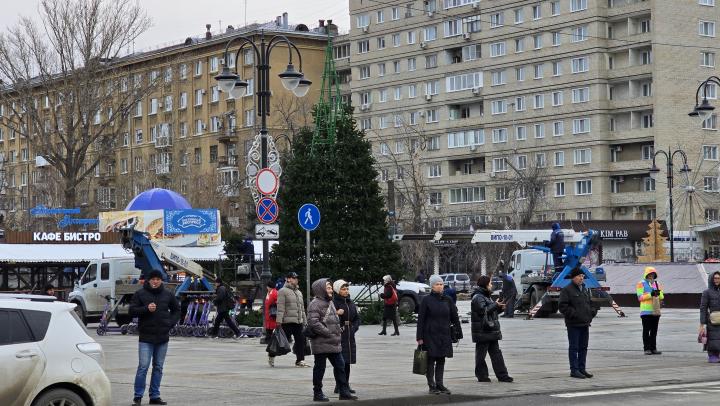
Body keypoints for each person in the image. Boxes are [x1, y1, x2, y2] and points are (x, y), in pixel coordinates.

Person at [129, 270, 181, 406]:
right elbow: (132, 310)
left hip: (162, 337)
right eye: (153, 279)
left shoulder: (168, 294)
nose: (155, 281)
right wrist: (146, 308)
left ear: (161, 280)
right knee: (143, 367)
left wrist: (170, 323)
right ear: (148, 280)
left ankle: (155, 396)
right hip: (146, 337)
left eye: (158, 279)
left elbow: (177, 310)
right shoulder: (140, 294)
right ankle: (138, 396)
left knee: (158, 367)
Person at [307, 278, 358, 402]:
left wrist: (337, 332)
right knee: (320, 368)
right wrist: (328, 332)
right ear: (321, 289)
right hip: (321, 342)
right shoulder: (315, 303)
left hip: (333, 342)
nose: (330, 290)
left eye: (330, 288)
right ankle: (317, 393)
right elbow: (313, 323)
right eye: (328, 288)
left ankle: (344, 392)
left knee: (340, 366)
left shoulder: (330, 303)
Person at [416, 275, 462, 395]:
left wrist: (459, 332)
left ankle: (440, 384)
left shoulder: (448, 299)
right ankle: (432, 385)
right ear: (432, 286)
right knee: (431, 360)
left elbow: (454, 316)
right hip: (429, 334)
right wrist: (419, 337)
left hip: (444, 334)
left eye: (441, 284)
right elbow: (421, 319)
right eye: (437, 284)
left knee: (441, 359)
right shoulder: (426, 300)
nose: (440, 286)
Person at [471, 275, 513, 383]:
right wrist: (495, 305)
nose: (491, 285)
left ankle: (503, 376)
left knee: (496, 354)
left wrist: (499, 308)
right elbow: (483, 311)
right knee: (481, 356)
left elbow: (491, 312)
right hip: (482, 331)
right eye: (489, 283)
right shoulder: (478, 297)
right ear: (485, 284)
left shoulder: (486, 296)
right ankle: (482, 376)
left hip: (491, 330)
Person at [558, 267, 597, 379]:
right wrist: (575, 314)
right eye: (579, 276)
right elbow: (563, 306)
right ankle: (574, 370)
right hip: (574, 324)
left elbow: (590, 303)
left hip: (585, 323)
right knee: (574, 347)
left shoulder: (584, 289)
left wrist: (591, 313)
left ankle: (582, 368)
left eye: (583, 276)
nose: (581, 278)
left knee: (583, 347)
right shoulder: (567, 290)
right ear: (573, 277)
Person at [276, 271, 310, 367]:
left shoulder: (299, 292)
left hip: (298, 321)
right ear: (288, 279)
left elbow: (302, 309)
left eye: (296, 278)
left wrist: (305, 321)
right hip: (287, 322)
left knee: (300, 340)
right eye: (294, 278)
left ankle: (300, 360)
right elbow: (280, 307)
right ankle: (272, 354)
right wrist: (278, 321)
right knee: (281, 342)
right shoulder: (282, 291)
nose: (296, 280)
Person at [332, 279, 360, 394]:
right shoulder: (334, 303)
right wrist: (337, 314)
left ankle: (345, 384)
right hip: (340, 335)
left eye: (347, 289)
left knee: (347, 362)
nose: (346, 291)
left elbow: (357, 318)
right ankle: (339, 385)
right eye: (343, 289)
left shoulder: (350, 302)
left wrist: (353, 328)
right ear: (338, 290)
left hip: (349, 335)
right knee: (340, 362)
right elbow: (329, 318)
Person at [636, 266, 664, 355]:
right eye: (650, 274)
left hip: (655, 311)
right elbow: (640, 297)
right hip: (645, 312)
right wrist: (650, 294)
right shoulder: (641, 283)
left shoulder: (657, 284)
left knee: (654, 331)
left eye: (653, 275)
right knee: (646, 330)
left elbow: (662, 296)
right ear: (646, 275)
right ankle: (646, 349)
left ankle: (653, 348)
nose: (651, 276)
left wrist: (657, 293)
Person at [700, 271, 720, 363]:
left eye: (718, 278)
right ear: (711, 279)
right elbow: (703, 308)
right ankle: (712, 355)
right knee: (712, 338)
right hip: (712, 320)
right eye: (715, 278)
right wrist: (702, 323)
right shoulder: (706, 292)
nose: (717, 280)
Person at [264, 280, 279, 365]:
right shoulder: (268, 293)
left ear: (269, 287)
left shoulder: (275, 293)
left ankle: (271, 356)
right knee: (270, 340)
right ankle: (271, 356)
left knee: (273, 341)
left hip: (273, 319)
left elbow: (278, 303)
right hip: (269, 320)